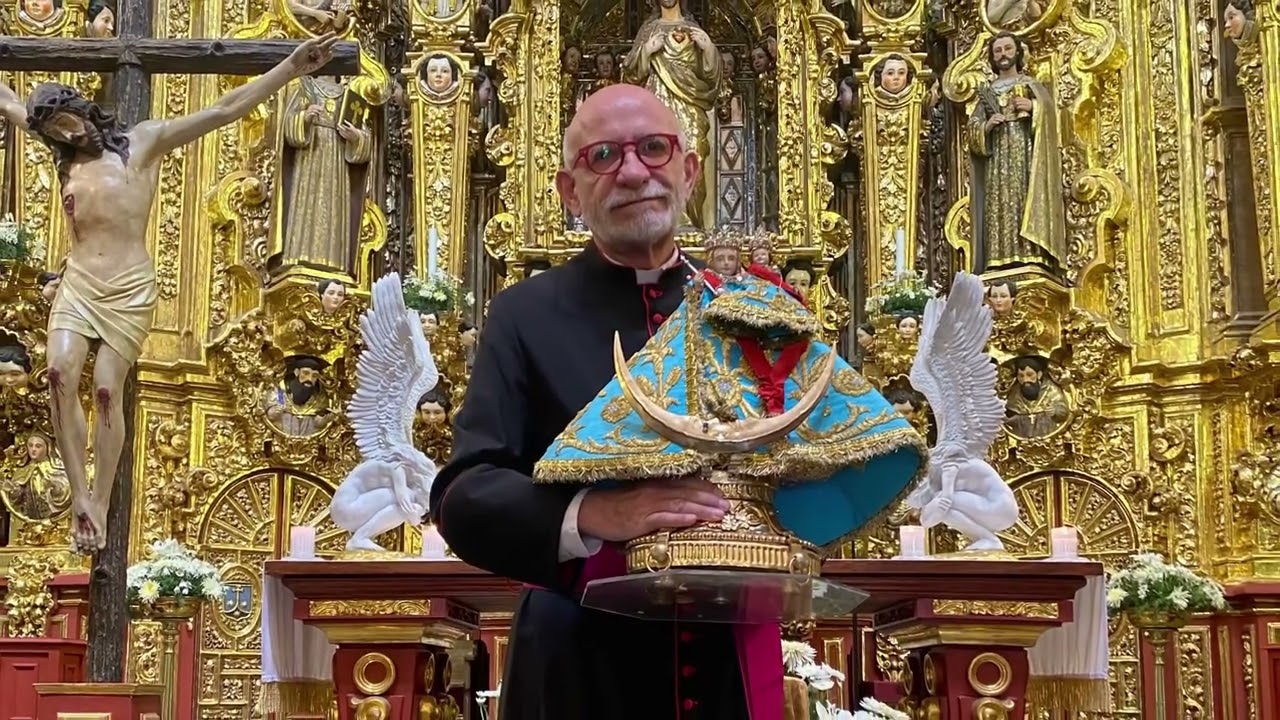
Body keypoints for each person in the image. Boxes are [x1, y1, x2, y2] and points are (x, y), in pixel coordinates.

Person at [430, 84, 748, 719]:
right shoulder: (524, 314)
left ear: (688, 170)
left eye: (654, 149)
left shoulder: (746, 312)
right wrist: (598, 512)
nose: (633, 172)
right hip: (575, 664)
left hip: (724, 658)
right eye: (603, 156)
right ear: (570, 191)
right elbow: (463, 494)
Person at [0, 33, 342, 554]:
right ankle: (79, 497)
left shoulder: (143, 142)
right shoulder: (66, 159)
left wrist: (291, 67)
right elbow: (6, 100)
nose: (69, 132)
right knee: (57, 374)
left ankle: (102, 495)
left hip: (129, 285)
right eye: (55, 129)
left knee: (106, 391)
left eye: (70, 119)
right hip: (77, 282)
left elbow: (224, 110)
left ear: (84, 109)